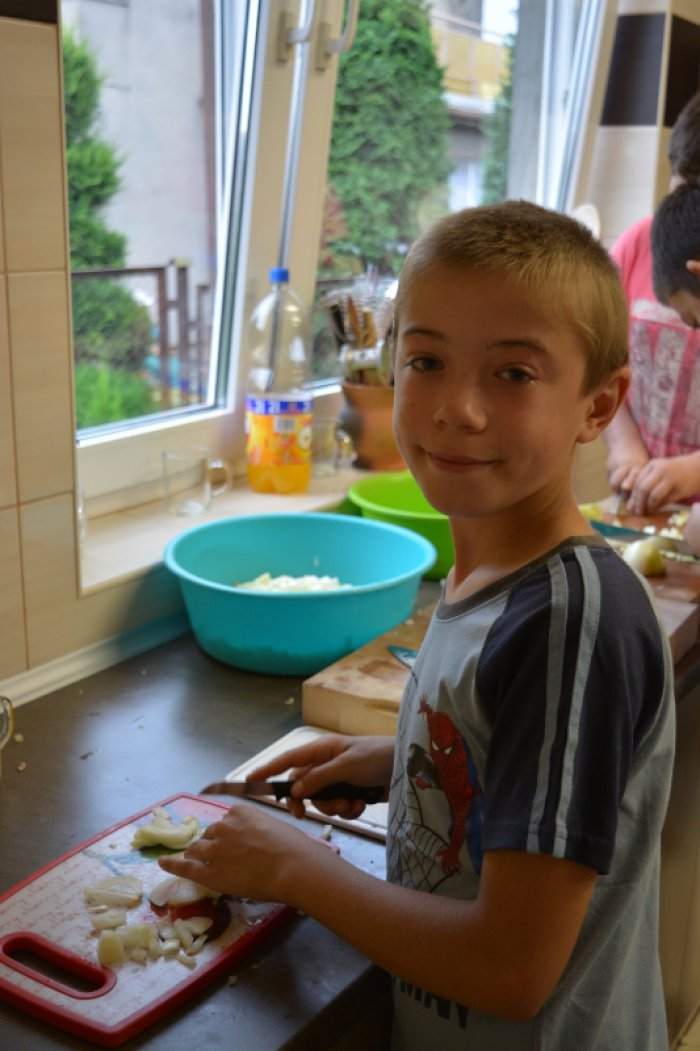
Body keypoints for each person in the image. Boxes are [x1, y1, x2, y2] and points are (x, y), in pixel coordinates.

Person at [160, 202, 675, 1050]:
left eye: (513, 373)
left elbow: (512, 969)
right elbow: (516, 756)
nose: (457, 409)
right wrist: (406, 763)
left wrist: (298, 868)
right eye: (428, 360)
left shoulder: (570, 621)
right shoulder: (484, 571)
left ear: (598, 405)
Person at [605, 90, 700, 514]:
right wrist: (623, 444)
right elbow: (601, 363)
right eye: (682, 192)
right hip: (645, 504)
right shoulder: (637, 245)